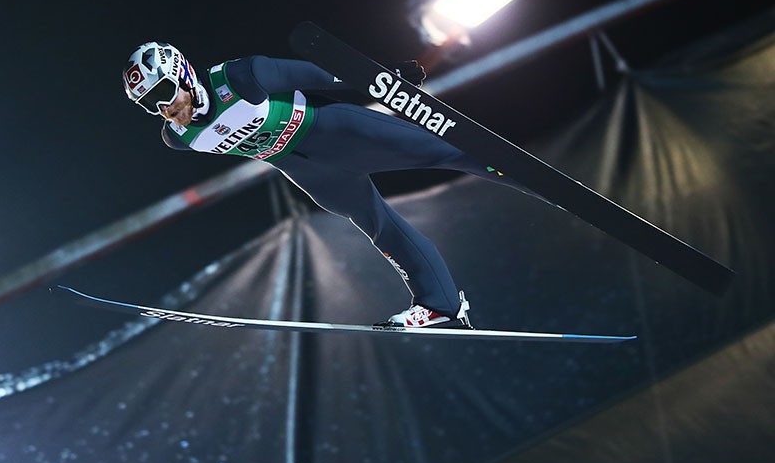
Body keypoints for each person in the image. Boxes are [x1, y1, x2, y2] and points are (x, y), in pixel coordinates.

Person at [123, 42, 536, 328]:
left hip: (334, 132)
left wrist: (386, 79)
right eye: (149, 104)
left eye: (163, 92)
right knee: (379, 225)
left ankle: (536, 182)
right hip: (309, 173)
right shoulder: (178, 137)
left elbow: (322, 77)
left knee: (445, 150)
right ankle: (440, 305)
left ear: (181, 73)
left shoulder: (239, 77)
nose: (163, 107)